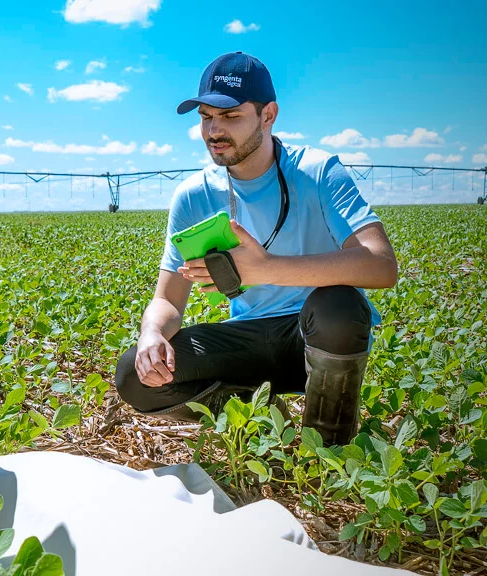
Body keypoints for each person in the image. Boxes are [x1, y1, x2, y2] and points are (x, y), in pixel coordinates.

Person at [114, 52, 398, 447]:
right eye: (206, 117)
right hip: (248, 339)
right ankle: (262, 415)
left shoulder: (317, 172)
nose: (214, 130)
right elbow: (169, 301)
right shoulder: (193, 196)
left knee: (340, 307)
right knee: (135, 374)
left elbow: (381, 265)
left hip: (315, 337)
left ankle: (328, 447)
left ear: (268, 115)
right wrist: (151, 334)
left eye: (230, 117)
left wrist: (263, 268)